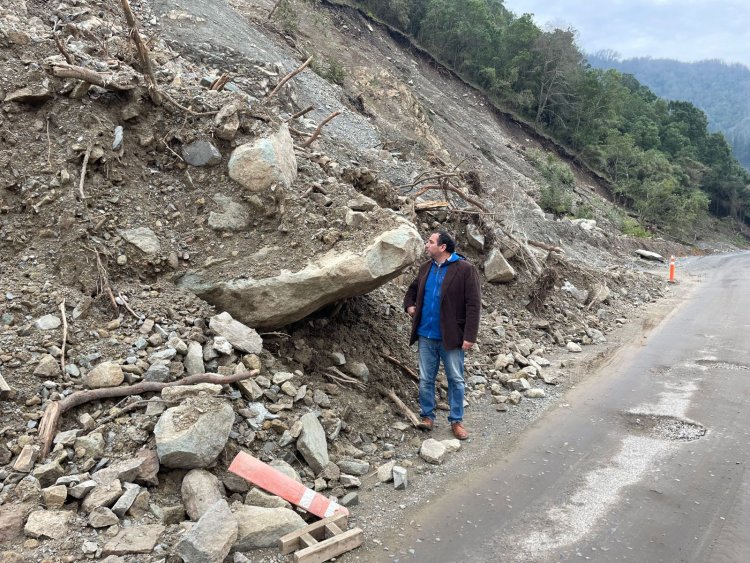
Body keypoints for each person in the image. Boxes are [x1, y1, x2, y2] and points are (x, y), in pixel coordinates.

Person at [403, 230, 481, 440]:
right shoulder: (426, 268)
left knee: (455, 379)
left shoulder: (465, 269)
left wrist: (470, 336)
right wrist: (410, 306)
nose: (426, 245)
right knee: (426, 378)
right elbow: (411, 291)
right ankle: (427, 416)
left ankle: (456, 420)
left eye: (430, 242)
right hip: (426, 335)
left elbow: (473, 305)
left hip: (451, 337)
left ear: (443, 247)